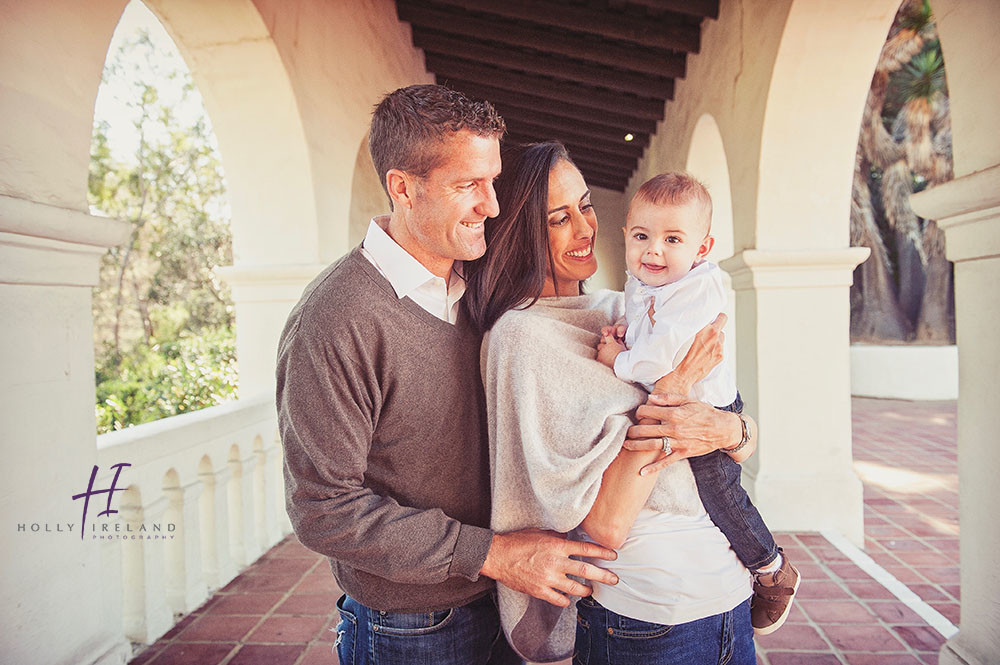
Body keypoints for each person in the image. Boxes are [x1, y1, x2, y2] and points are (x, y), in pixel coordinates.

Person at [276, 86, 619, 665]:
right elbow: (322, 508)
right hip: (413, 628)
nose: (492, 205)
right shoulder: (336, 318)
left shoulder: (480, 288)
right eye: (468, 185)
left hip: (507, 601)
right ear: (403, 188)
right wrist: (495, 554)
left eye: (492, 181)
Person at [464, 141, 759, 664]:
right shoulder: (522, 337)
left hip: (730, 594)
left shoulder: (621, 309)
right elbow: (602, 526)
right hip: (650, 617)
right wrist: (675, 385)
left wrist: (734, 432)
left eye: (586, 206)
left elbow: (734, 441)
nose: (584, 228)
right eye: (558, 218)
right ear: (519, 232)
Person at [594, 172, 800, 635]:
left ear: (702, 249)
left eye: (672, 239)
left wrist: (618, 358)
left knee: (721, 495)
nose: (654, 251)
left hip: (710, 409)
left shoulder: (696, 290)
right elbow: (647, 317)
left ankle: (772, 570)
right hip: (691, 409)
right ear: (626, 235)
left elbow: (661, 365)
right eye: (642, 236)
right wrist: (628, 328)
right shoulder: (648, 279)